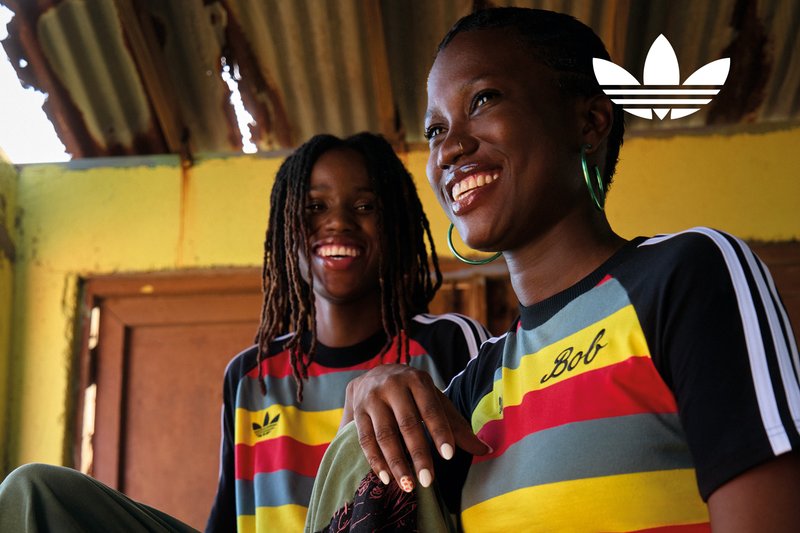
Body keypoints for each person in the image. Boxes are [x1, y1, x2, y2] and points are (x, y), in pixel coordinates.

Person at [305, 8, 800, 533]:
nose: (449, 148)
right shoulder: (475, 386)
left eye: (483, 100)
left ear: (589, 122)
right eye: (434, 129)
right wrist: (365, 397)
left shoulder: (688, 274)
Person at [0, 132, 490, 533]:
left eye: (364, 206)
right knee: (32, 492)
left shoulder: (448, 343)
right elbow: (228, 520)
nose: (338, 221)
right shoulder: (249, 375)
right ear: (286, 225)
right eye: (315, 206)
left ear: (397, 224)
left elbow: (484, 490)